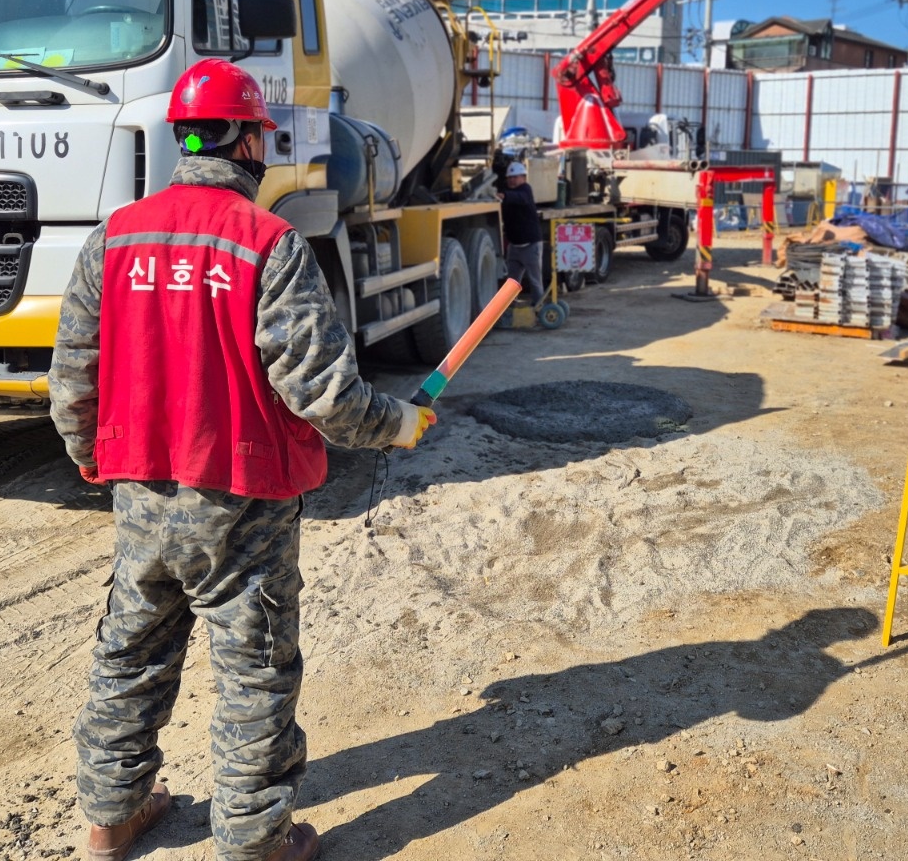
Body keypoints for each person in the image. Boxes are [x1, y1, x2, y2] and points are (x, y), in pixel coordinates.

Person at [49, 58, 436, 861]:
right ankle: (257, 840)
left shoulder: (113, 237)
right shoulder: (269, 243)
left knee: (130, 654)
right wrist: (396, 424)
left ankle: (110, 819)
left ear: (184, 139)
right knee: (254, 667)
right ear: (251, 144)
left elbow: (72, 381)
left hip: (141, 496)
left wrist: (99, 462)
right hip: (242, 501)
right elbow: (323, 395)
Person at [497, 160, 545, 304]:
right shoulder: (508, 192)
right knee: (511, 283)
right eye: (510, 177)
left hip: (531, 246)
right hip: (515, 247)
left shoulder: (525, 190)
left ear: (523, 177)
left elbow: (520, 198)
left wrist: (504, 196)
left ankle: (539, 308)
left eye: (515, 177)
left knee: (535, 281)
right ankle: (508, 309)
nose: (512, 180)